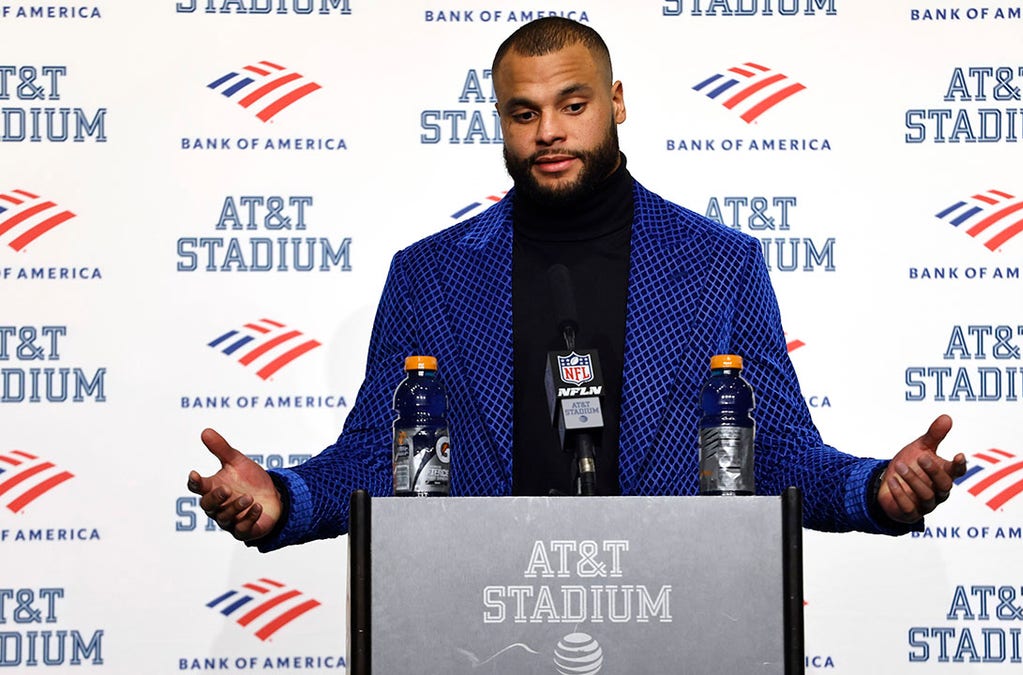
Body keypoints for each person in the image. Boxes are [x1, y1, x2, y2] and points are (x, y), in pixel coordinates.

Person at [187, 17, 967, 551]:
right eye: (523, 113)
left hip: (670, 616)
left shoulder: (718, 262)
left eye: (573, 104)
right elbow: (376, 460)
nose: (549, 131)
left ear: (616, 103)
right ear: (499, 120)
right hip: (483, 620)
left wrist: (876, 489)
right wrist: (285, 500)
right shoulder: (430, 274)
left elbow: (776, 454)